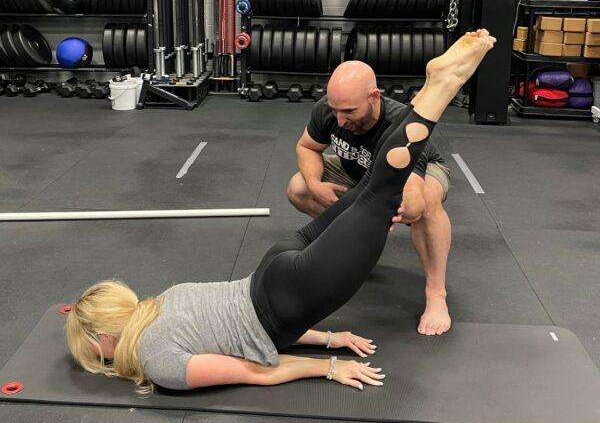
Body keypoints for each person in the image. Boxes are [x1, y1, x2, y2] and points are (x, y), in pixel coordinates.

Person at [66, 30, 496, 395]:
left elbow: (255, 370)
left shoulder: (159, 364)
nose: (97, 359)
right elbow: (242, 332)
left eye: (92, 351)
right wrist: (330, 340)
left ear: (105, 337)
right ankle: (433, 92)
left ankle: (438, 89)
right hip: (274, 269)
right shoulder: (159, 302)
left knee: (383, 191)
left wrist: (328, 368)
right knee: (371, 189)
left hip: (290, 297)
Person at [287, 62, 452, 336]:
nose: (340, 120)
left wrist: (392, 210)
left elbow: (412, 199)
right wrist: (316, 185)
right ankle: (357, 248)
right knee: (299, 187)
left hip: (417, 172)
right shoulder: (329, 110)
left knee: (426, 206)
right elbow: (306, 146)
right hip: (360, 172)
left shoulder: (401, 125)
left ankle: (436, 295)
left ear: (374, 97)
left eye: (350, 111)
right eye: (335, 110)